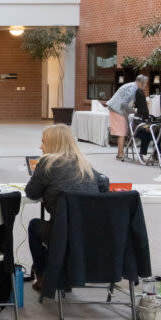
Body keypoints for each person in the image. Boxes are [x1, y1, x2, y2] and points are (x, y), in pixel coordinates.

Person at [25, 124, 108, 292]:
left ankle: (43, 276)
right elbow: (104, 183)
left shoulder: (47, 163)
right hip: (90, 233)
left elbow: (31, 192)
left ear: (53, 144)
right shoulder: (84, 163)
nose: (40, 147)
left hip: (63, 232)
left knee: (34, 225)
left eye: (43, 142)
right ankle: (62, 273)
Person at [107, 75, 150, 160]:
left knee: (123, 132)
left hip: (117, 109)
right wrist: (134, 111)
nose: (145, 86)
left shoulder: (133, 86)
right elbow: (123, 104)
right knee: (121, 133)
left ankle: (121, 154)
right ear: (140, 82)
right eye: (145, 84)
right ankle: (120, 155)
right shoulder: (133, 89)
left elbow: (126, 102)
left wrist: (132, 107)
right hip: (117, 109)